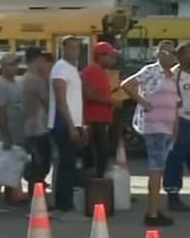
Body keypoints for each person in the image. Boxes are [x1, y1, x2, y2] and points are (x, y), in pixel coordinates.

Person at [122, 41, 181, 227]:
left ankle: (155, 209)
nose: (171, 56)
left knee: (159, 169)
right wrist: (143, 102)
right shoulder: (152, 71)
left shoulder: (172, 75)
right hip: (154, 126)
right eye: (168, 52)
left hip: (167, 126)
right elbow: (127, 84)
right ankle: (153, 213)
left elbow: (175, 104)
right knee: (156, 168)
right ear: (160, 53)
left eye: (174, 53)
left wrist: (175, 128)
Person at [49, 36, 87, 218]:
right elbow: (61, 100)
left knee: (68, 165)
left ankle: (63, 206)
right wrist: (71, 126)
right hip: (63, 124)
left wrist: (80, 125)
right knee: (66, 166)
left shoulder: (72, 69)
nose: (74, 51)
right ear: (63, 49)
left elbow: (74, 101)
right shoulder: (61, 68)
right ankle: (64, 207)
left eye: (77, 48)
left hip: (72, 124)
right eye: (71, 48)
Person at [163, 43, 190, 213]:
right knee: (175, 160)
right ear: (180, 56)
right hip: (180, 121)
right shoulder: (174, 74)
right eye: (189, 53)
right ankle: (173, 197)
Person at [0, 53, 28, 212]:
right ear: (3, 67)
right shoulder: (0, 85)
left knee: (12, 165)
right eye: (11, 64)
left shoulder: (18, 83)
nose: (14, 67)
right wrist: (5, 135)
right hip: (4, 131)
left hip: (18, 130)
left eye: (16, 64)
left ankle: (10, 196)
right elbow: (0, 111)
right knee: (1, 165)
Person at [82, 41, 118, 179]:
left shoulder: (100, 71)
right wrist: (112, 101)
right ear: (101, 56)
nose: (113, 59)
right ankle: (94, 189)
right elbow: (89, 94)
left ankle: (98, 187)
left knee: (101, 156)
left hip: (100, 120)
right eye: (110, 56)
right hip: (94, 120)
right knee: (97, 156)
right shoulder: (92, 70)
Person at [22, 48, 54, 197]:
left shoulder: (25, 78)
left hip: (29, 126)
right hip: (39, 127)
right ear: (36, 60)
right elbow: (48, 103)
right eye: (42, 60)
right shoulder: (36, 80)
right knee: (41, 163)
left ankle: (32, 192)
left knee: (35, 161)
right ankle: (35, 194)